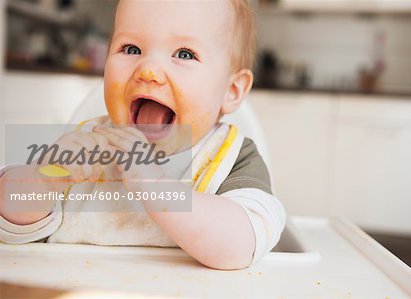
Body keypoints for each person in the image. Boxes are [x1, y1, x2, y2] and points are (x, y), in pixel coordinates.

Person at [0, 0, 286, 270]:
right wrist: (45, 179)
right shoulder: (83, 147)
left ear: (231, 90)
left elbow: (242, 244)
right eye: (131, 48)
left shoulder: (230, 158)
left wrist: (155, 185)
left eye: (184, 54)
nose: (148, 71)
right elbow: (9, 220)